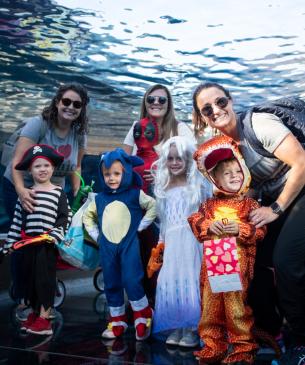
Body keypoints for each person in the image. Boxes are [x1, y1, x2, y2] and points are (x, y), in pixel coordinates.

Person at [192, 82, 305, 364]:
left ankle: (302, 341)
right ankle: (272, 331)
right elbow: (249, 188)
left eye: (220, 102)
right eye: (207, 109)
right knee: (250, 259)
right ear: (202, 118)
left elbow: (302, 162)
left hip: (299, 190)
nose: (216, 110)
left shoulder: (258, 124)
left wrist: (275, 210)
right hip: (277, 199)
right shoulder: (225, 146)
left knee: (286, 260)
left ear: (231, 100)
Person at [2, 82, 89, 318]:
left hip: (52, 191)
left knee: (47, 244)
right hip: (22, 186)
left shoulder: (79, 133)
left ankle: (42, 295)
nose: (70, 107)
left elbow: (76, 167)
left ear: (82, 109)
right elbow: (17, 161)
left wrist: (77, 196)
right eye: (66, 102)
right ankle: (22, 297)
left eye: (77, 104)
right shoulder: (39, 124)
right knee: (26, 240)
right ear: (57, 102)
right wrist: (21, 191)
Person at [188, 135, 266, 364]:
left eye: (237, 171)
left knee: (236, 307)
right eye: (227, 173)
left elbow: (260, 232)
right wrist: (207, 225)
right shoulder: (208, 205)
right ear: (215, 179)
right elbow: (194, 221)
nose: (234, 176)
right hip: (212, 268)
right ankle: (213, 345)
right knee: (210, 306)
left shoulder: (250, 204)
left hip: (237, 269)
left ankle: (243, 347)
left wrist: (240, 229)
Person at [123, 83, 196, 305]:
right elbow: (123, 160)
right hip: (140, 199)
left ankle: (171, 301)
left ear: (169, 104)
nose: (156, 103)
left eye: (161, 100)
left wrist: (162, 175)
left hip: (171, 203)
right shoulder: (136, 126)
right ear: (145, 102)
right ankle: (144, 303)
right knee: (142, 251)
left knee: (167, 251)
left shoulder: (180, 129)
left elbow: (193, 165)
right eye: (151, 99)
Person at [83, 148, 156, 341]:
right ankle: (117, 320)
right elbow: (87, 217)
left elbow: (153, 206)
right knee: (111, 283)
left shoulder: (134, 194)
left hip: (128, 246)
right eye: (107, 174)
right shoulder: (99, 198)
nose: (111, 178)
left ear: (126, 173)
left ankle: (143, 315)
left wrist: (142, 225)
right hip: (107, 249)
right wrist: (96, 236)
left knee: (132, 280)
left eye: (117, 173)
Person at [1, 144, 71, 335]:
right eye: (37, 166)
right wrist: (10, 245)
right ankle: (34, 314)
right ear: (30, 171)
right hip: (26, 245)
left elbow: (66, 218)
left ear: (53, 169)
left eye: (46, 165)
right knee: (28, 280)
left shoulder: (58, 193)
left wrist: (54, 235)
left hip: (45, 245)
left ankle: (44, 318)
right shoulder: (26, 194)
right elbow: (17, 221)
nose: (42, 169)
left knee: (44, 280)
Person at [149, 136, 211, 348]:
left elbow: (206, 212)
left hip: (192, 241)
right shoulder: (164, 187)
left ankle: (192, 329)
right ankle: (177, 325)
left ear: (188, 160)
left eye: (180, 159)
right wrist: (161, 242)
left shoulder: (197, 185)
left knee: (190, 278)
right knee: (170, 278)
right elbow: (164, 220)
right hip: (173, 240)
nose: (175, 163)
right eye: (171, 159)